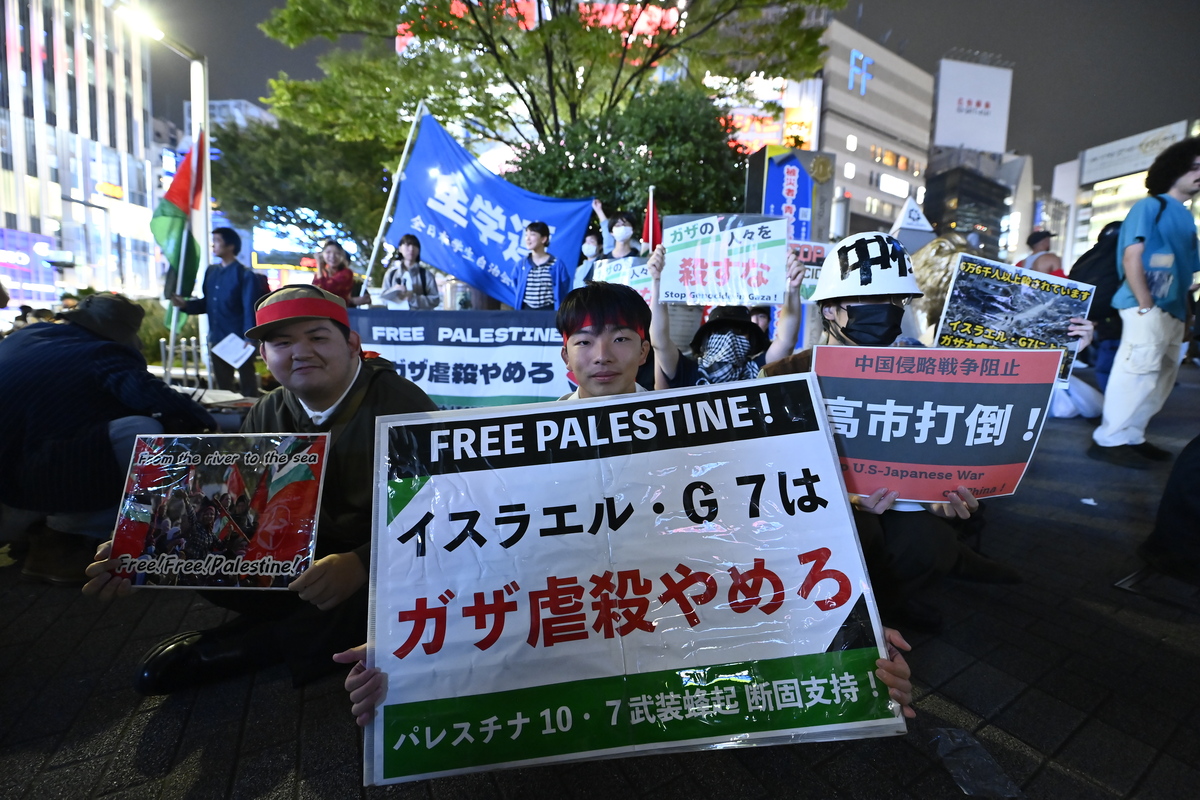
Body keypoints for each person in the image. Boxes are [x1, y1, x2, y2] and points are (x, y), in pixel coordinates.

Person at [334, 279, 917, 724]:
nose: (601, 354)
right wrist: (404, 652)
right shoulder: (513, 446)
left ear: (644, 351)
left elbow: (763, 525)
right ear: (565, 355)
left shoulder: (698, 429)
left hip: (676, 615)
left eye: (620, 339)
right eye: (584, 341)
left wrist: (848, 633)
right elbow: (467, 551)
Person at [83, 285, 438, 694]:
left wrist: (362, 564)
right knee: (203, 555)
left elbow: (438, 515)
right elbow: (238, 504)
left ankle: (263, 644)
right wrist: (145, 546)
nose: (299, 352)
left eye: (317, 337)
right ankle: (291, 625)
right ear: (265, 357)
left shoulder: (404, 408)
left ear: (352, 343)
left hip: (386, 559)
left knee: (396, 597)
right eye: (281, 343)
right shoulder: (268, 409)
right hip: (303, 552)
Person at [761, 232, 1062, 633]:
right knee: (860, 533)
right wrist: (845, 497)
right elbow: (767, 472)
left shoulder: (921, 372)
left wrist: (946, 496)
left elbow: (941, 456)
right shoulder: (785, 375)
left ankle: (889, 606)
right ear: (831, 309)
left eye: (896, 301)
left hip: (902, 508)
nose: (887, 311)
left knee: (928, 543)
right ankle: (840, 621)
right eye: (872, 301)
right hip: (821, 517)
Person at [0, 293, 215, 584]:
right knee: (144, 431)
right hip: (19, 488)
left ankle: (33, 533)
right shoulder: (102, 351)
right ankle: (63, 539)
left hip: (11, 479)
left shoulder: (29, 335)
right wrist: (206, 422)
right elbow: (150, 393)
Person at [1089, 137, 1200, 469]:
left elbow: (1186, 276)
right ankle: (1109, 439)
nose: (1199, 174)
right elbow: (1131, 255)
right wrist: (1145, 303)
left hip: (1173, 309)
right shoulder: (1151, 206)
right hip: (1147, 306)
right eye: (1194, 167)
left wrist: (1185, 317)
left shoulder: (1186, 217)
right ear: (1174, 169)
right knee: (1137, 372)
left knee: (1161, 376)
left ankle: (1133, 436)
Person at [646, 244, 803, 389]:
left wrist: (793, 289)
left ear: (750, 340)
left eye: (739, 331)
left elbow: (786, 341)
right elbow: (659, 341)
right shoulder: (687, 370)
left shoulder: (755, 371)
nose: (729, 337)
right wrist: (658, 282)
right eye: (720, 330)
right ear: (707, 338)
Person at [172, 227, 266, 397]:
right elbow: (207, 304)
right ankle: (227, 413)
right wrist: (185, 305)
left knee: (247, 383)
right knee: (223, 384)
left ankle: (252, 417)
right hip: (217, 337)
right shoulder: (211, 272)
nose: (213, 245)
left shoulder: (244, 275)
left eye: (217, 241)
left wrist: (250, 338)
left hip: (239, 339)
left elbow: (249, 308)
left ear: (230, 246)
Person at [1070, 222, 1124, 391]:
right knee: (1113, 365)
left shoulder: (1088, 257)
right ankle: (1112, 409)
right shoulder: (1124, 256)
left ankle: (1106, 406)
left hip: (1086, 318)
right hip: (1116, 319)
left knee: (1103, 363)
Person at [514, 221, 571, 310]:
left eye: (532, 234)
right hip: (526, 311)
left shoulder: (557, 263)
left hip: (549, 311)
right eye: (526, 235)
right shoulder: (522, 264)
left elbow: (564, 285)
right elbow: (516, 283)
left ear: (544, 239)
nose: (527, 238)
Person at [380, 234, 441, 310]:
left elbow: (435, 300)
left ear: (419, 250)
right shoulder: (391, 274)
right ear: (400, 248)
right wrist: (394, 291)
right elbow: (383, 299)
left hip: (420, 320)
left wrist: (412, 298)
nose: (411, 249)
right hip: (396, 319)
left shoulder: (426, 275)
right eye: (407, 245)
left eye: (415, 245)